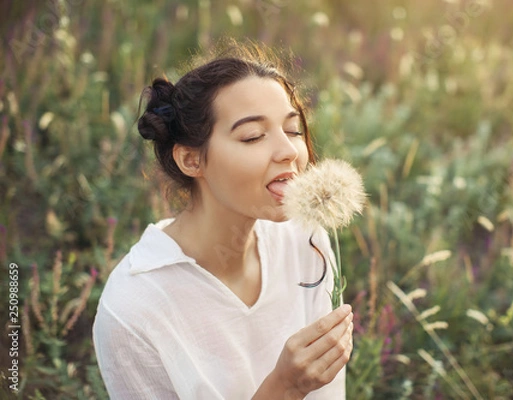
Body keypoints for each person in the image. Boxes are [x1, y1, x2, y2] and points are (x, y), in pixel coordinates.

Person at [92, 42, 353, 400]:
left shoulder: (305, 240)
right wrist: (284, 389)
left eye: (292, 130)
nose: (290, 151)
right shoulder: (134, 309)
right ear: (190, 160)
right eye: (252, 136)